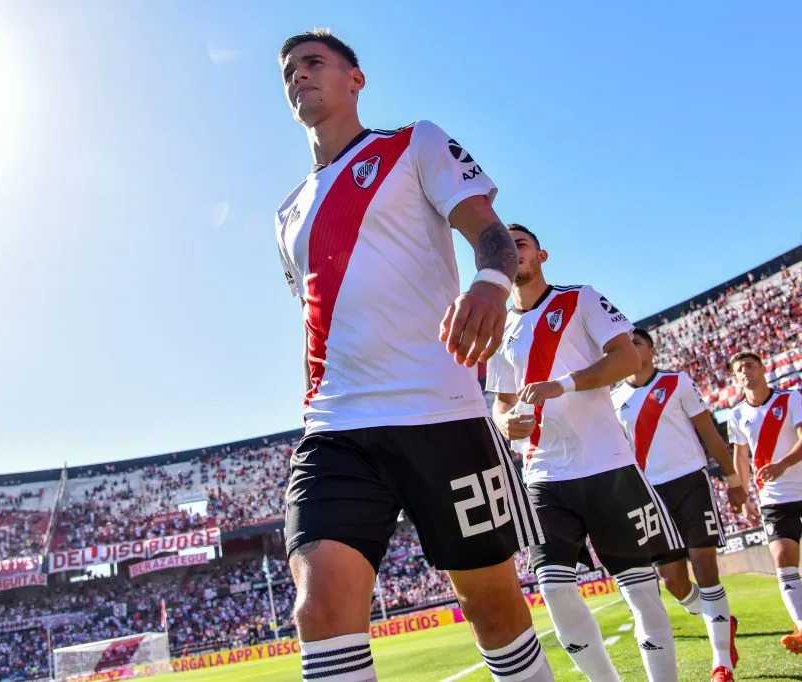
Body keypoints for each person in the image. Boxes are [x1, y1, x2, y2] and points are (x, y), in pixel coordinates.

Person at [274, 29, 551, 682]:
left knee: (490, 607)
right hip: (337, 430)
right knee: (319, 609)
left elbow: (493, 236)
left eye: (314, 63)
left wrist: (488, 286)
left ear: (355, 79)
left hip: (441, 415)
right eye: (289, 70)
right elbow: (312, 320)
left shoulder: (413, 143)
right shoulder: (286, 213)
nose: (299, 76)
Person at [487, 224, 682, 682]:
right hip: (544, 475)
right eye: (502, 246)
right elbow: (500, 402)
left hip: (608, 467)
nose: (512, 252)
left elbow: (627, 359)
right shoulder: (499, 326)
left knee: (642, 594)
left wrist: (564, 384)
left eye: (520, 244)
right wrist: (506, 423)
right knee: (554, 590)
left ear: (542, 254)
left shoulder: (581, 299)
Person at [611, 328, 748, 681]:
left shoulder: (678, 382)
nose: (631, 347)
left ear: (652, 350)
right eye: (625, 344)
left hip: (691, 483)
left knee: (706, 568)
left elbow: (709, 434)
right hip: (650, 496)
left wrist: (733, 480)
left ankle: (722, 664)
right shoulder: (613, 400)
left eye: (637, 342)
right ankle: (721, 621)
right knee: (673, 582)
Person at [726, 351, 802, 655]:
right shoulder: (736, 414)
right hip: (774, 498)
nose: (745, 371)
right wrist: (743, 496)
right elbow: (740, 457)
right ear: (735, 378)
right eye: (739, 369)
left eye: (750, 365)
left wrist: (782, 464)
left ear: (762, 368)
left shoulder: (791, 398)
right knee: (783, 559)